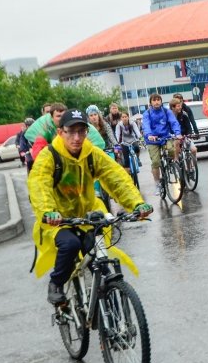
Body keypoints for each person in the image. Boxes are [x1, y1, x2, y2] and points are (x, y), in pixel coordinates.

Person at [27, 109, 153, 306]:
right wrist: (47, 212)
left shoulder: (92, 154)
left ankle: (107, 311)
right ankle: (56, 284)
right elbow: (39, 185)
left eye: (82, 132)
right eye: (71, 132)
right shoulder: (49, 157)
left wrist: (137, 203)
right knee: (71, 245)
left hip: (88, 216)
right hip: (58, 220)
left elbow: (116, 178)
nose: (77, 138)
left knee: (98, 255)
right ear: (61, 132)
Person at [26, 102, 106, 164]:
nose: (61, 119)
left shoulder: (76, 128)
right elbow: (38, 157)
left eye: (63, 116)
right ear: (51, 117)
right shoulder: (45, 130)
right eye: (58, 116)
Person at [141, 93, 181, 195]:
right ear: (150, 103)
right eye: (154, 100)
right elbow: (146, 125)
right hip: (152, 140)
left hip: (165, 137)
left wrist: (177, 133)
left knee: (172, 150)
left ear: (161, 101)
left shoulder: (166, 111)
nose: (157, 102)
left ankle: (170, 165)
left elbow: (174, 122)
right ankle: (157, 184)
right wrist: (149, 134)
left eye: (158, 100)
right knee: (155, 162)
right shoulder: (147, 113)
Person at [169, 94, 199, 170]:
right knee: (176, 145)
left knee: (193, 149)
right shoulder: (168, 116)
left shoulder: (184, 114)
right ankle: (177, 161)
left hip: (185, 136)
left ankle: (192, 165)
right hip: (174, 137)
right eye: (178, 105)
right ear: (173, 107)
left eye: (180, 104)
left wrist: (191, 133)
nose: (180, 107)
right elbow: (168, 128)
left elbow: (189, 125)